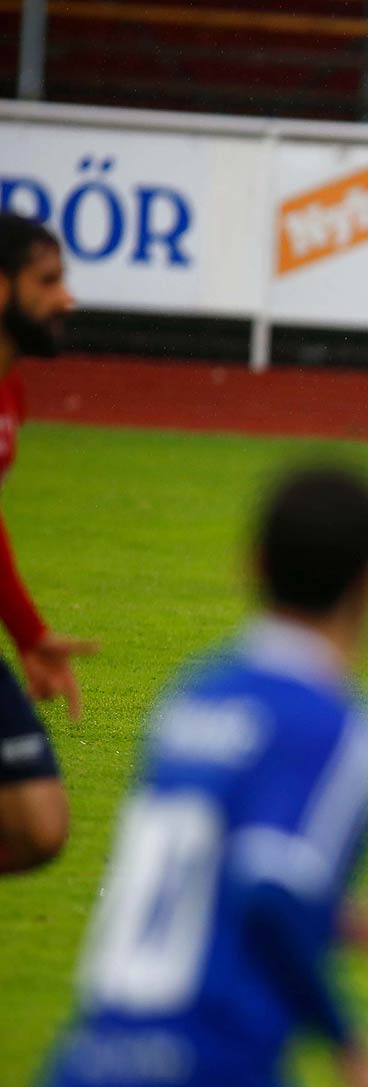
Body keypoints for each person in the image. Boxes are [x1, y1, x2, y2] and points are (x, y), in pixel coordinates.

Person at [14, 466, 368, 1087]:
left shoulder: (191, 698)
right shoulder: (335, 725)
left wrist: (366, 928)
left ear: (250, 565)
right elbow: (268, 892)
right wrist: (354, 1051)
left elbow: (213, 887)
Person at [0, 214, 97, 876]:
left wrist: (29, 634)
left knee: (40, 826)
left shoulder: (12, 393)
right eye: (48, 281)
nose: (66, 298)